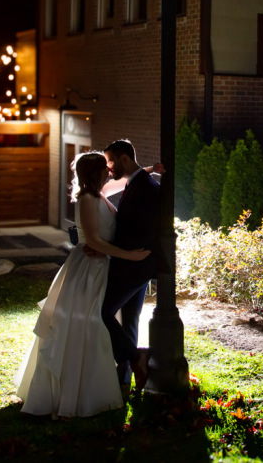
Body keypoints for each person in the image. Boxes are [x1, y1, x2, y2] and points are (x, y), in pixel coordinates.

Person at [14, 151, 150, 418]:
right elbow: (93, 241)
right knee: (86, 323)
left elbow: (125, 182)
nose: (109, 172)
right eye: (105, 168)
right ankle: (77, 391)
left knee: (95, 325)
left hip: (103, 266)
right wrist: (129, 255)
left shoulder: (99, 193)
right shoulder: (87, 199)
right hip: (89, 270)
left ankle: (110, 377)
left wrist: (147, 169)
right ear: (95, 172)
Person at [100, 139, 160, 396]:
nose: (109, 168)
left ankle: (136, 359)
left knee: (103, 312)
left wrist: (109, 248)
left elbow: (140, 229)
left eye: (111, 162)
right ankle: (124, 380)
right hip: (137, 265)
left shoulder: (146, 187)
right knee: (129, 323)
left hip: (134, 265)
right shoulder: (136, 181)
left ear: (124, 158)